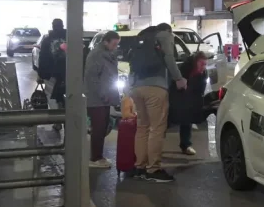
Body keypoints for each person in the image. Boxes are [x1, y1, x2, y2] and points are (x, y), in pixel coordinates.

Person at [128, 24, 186, 183]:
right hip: (155, 88)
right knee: (156, 128)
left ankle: (139, 166)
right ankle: (153, 169)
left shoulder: (142, 37)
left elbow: (131, 64)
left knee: (142, 127)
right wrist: (179, 79)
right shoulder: (165, 35)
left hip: (136, 87)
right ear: (168, 30)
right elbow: (169, 58)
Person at [85, 30, 120, 169]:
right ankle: (95, 158)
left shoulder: (108, 55)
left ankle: (98, 156)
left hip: (104, 98)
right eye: (114, 44)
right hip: (97, 98)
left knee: (102, 127)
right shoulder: (96, 55)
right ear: (106, 42)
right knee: (98, 128)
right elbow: (92, 78)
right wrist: (102, 94)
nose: (115, 47)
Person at [170, 52, 208, 156]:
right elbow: (177, 85)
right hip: (176, 94)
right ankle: (155, 145)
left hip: (189, 97)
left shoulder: (204, 73)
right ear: (196, 62)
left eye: (205, 64)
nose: (203, 67)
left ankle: (185, 145)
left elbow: (200, 91)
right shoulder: (185, 68)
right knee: (167, 121)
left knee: (187, 119)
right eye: (201, 64)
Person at [38, 19, 68, 108]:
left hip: (51, 75)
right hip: (67, 74)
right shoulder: (70, 39)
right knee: (67, 97)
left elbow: (42, 58)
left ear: (52, 26)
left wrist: (41, 75)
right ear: (63, 26)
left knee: (52, 99)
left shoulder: (47, 40)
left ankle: (57, 119)